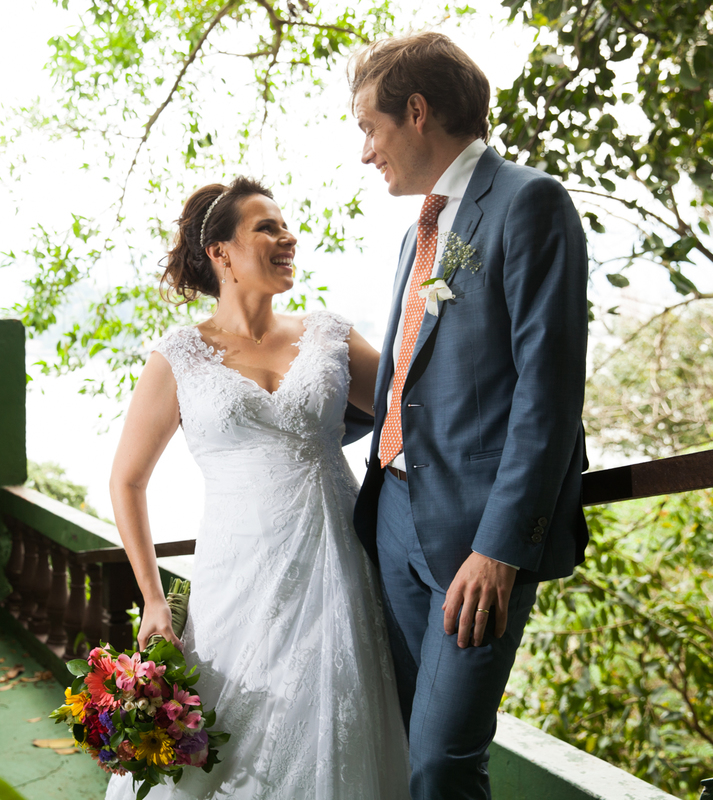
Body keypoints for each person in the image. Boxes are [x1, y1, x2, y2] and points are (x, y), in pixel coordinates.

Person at [104, 176, 411, 798]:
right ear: (220, 252)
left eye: (286, 225)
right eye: (267, 227)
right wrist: (154, 600)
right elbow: (127, 481)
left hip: (338, 566)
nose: (288, 237)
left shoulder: (328, 334)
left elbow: (415, 410)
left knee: (337, 726)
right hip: (235, 577)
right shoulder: (180, 355)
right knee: (227, 736)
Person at [348, 32, 590, 799]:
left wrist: (499, 549)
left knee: (442, 759)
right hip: (392, 515)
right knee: (404, 738)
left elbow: (548, 397)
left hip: (476, 536)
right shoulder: (417, 233)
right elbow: (412, 375)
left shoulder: (529, 203)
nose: (365, 151)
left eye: (370, 128)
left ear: (417, 112)